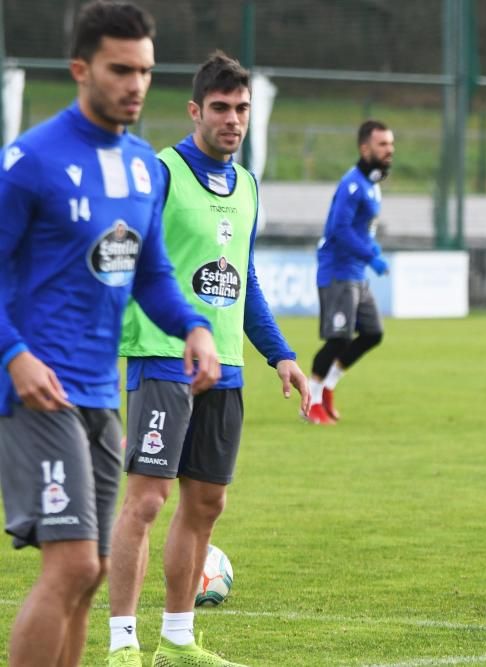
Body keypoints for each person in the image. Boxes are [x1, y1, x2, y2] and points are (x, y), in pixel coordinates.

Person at [0, 2, 221, 665]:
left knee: (92, 570)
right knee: (69, 566)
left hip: (99, 392)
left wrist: (194, 327)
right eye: (120, 69)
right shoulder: (30, 159)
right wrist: (14, 356)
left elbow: (151, 271)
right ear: (80, 69)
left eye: (146, 71)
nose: (136, 84)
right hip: (37, 391)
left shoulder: (140, 167)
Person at [107, 52, 308, 667]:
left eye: (241, 108)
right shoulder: (160, 172)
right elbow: (122, 257)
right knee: (146, 501)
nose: (233, 119)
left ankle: (177, 637)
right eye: (220, 108)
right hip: (163, 355)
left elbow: (243, 278)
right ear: (195, 110)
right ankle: (121, 643)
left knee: (207, 504)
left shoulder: (246, 185)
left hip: (225, 365)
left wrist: (281, 354)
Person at [305, 120, 393, 425]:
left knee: (372, 333)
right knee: (338, 339)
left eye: (391, 145)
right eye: (382, 145)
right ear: (364, 148)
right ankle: (311, 401)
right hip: (338, 272)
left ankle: (327, 386)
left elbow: (360, 229)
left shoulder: (372, 184)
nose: (389, 151)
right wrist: (372, 256)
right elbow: (338, 229)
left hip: (356, 273)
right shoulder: (352, 184)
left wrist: (372, 252)